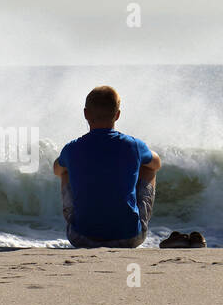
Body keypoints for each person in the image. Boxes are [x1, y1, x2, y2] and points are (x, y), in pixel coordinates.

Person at [53, 85, 161, 248]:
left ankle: (86, 222)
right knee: (149, 168)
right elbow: (156, 163)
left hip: (80, 238)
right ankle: (129, 221)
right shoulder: (133, 145)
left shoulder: (72, 148)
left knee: (64, 171)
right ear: (117, 115)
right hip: (130, 238)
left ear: (85, 114)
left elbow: (56, 170)